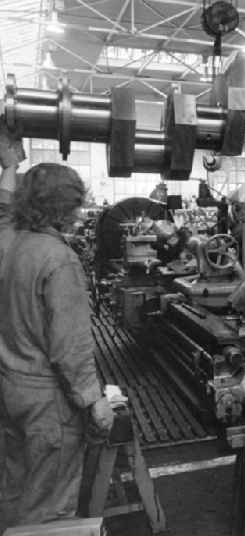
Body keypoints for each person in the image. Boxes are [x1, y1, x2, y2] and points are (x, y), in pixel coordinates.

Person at [0, 163, 114, 531]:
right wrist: (94, 400)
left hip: (12, 388)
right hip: (47, 402)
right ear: (62, 208)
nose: (79, 214)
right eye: (76, 206)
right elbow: (70, 347)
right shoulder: (59, 259)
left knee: (18, 488)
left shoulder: (13, 246)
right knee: (49, 508)